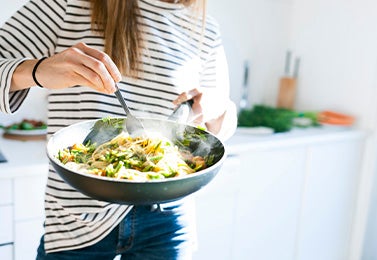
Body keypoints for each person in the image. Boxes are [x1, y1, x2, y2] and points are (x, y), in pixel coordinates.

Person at [0, 0, 237, 259]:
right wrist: (36, 71)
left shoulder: (205, 29)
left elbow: (218, 127)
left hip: (167, 220)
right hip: (77, 221)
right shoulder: (67, 5)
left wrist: (218, 108)